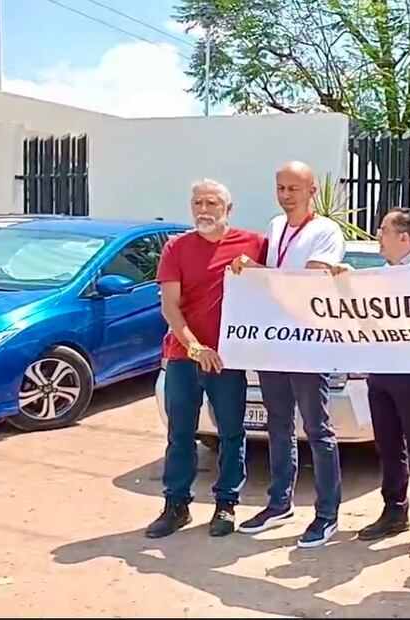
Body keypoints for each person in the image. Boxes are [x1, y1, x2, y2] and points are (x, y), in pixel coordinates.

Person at [230, 161, 346, 548]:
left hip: (309, 345)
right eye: (280, 187)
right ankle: (280, 502)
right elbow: (274, 279)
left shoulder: (326, 231)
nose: (285, 195)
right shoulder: (275, 226)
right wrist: (251, 270)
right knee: (278, 424)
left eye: (293, 188)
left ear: (312, 190)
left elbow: (309, 282)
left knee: (318, 430)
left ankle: (327, 515)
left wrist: (259, 273)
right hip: (275, 343)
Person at [146, 179, 267, 539]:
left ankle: (226, 503)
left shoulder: (254, 244)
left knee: (232, 432)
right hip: (185, 356)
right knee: (180, 433)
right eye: (197, 203)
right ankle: (176, 505)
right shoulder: (177, 248)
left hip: (229, 359)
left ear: (228, 209)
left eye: (212, 203)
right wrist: (195, 347)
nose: (203, 210)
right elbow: (170, 305)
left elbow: (284, 285)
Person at [345, 207, 410, 558]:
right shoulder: (381, 273)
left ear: (404, 237)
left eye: (383, 230)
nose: (377, 236)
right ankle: (394, 511)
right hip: (381, 370)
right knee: (387, 446)